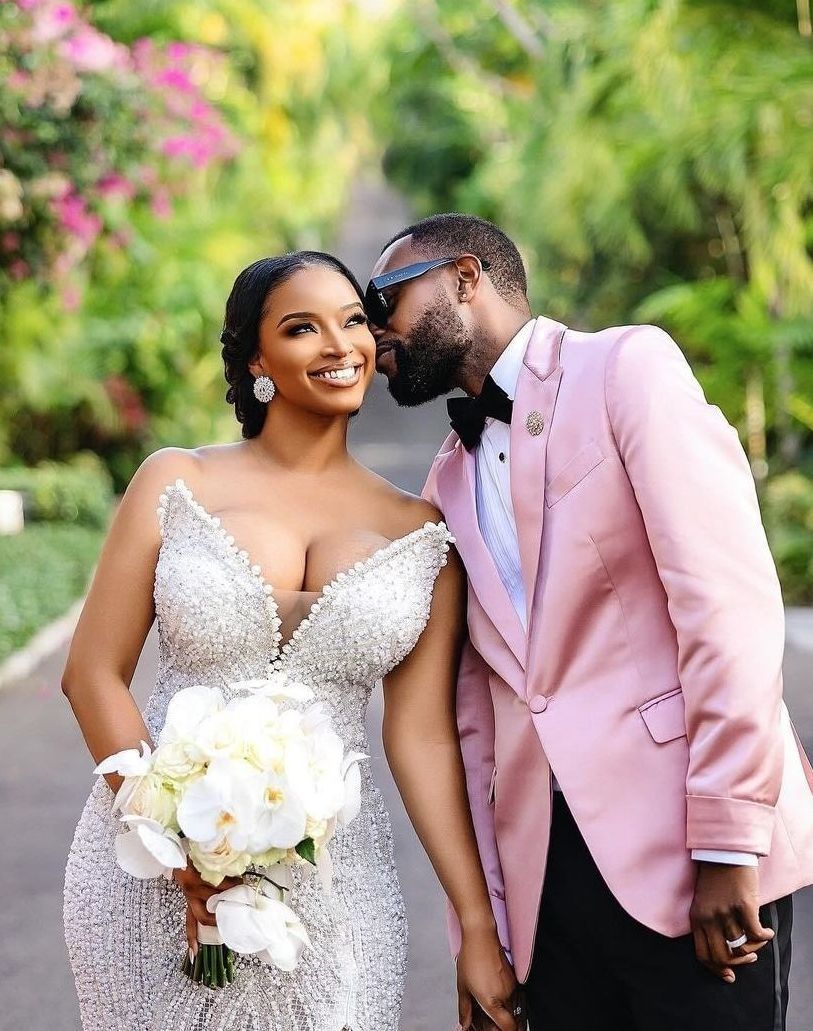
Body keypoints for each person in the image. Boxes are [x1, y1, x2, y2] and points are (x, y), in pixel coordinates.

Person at [368, 213, 813, 1031]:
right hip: (549, 891)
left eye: (382, 300)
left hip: (684, 846)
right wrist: (487, 931)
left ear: (464, 278)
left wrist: (725, 842)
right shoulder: (444, 485)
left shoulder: (624, 369)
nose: (373, 333)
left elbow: (724, 605)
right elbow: (474, 722)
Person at [61, 251, 522, 1031]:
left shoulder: (422, 529)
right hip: (150, 861)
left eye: (353, 321)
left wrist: (477, 926)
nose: (339, 344)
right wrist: (177, 850)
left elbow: (422, 740)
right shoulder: (175, 481)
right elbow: (92, 674)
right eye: (302, 328)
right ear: (255, 359)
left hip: (335, 879)